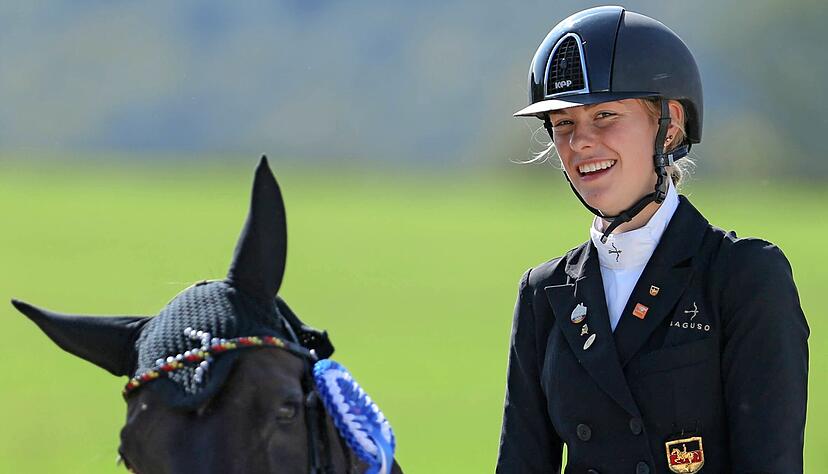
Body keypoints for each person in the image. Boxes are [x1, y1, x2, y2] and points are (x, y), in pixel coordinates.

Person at [496, 6, 809, 474]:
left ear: (671, 125)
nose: (580, 141)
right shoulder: (543, 294)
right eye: (563, 124)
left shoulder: (743, 276)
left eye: (604, 116)